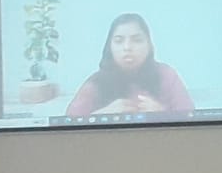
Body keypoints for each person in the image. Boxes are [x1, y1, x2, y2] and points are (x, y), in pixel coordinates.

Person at [65, 13, 194, 117]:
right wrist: (104, 115)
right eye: (119, 41)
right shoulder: (97, 82)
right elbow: (69, 124)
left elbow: (191, 119)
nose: (127, 47)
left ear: (149, 45)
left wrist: (162, 114)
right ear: (109, 47)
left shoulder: (166, 75)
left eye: (137, 40)